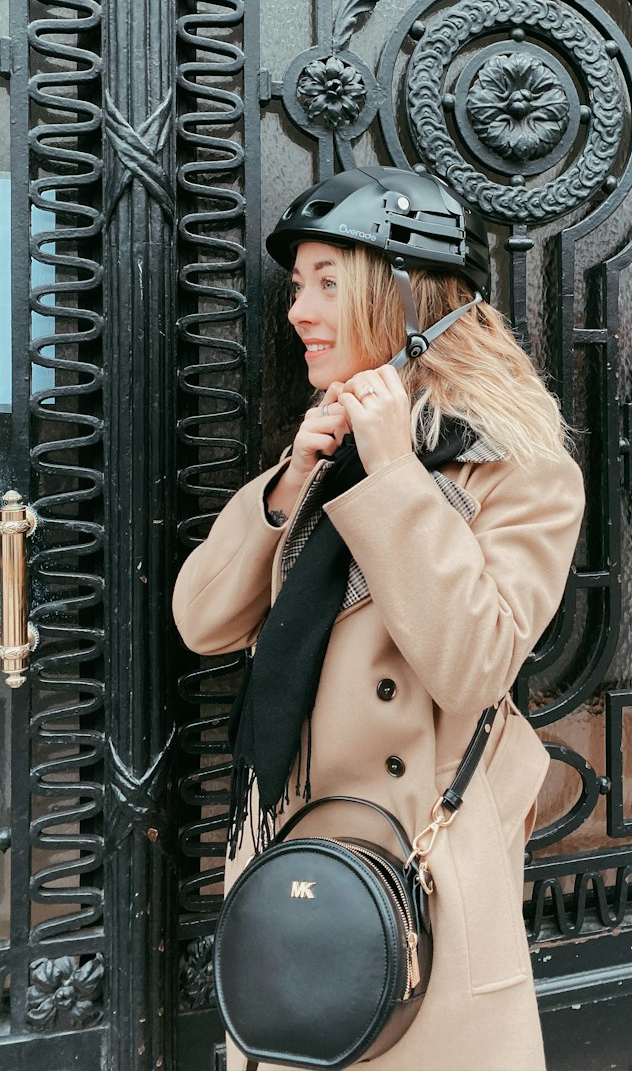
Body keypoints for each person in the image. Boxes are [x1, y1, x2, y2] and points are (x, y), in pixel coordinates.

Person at [172, 166, 586, 1071]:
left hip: (421, 892)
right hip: (301, 870)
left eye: (329, 283)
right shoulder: (322, 454)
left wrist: (395, 471)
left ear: (403, 300)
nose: (298, 312)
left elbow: (473, 664)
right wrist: (284, 488)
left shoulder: (521, 470)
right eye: (297, 286)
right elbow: (202, 621)